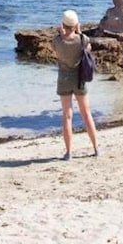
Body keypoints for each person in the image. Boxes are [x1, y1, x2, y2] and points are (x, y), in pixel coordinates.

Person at [50, 9, 100, 160]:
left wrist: (61, 34)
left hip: (64, 79)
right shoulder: (83, 40)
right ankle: (96, 148)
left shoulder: (57, 41)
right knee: (86, 114)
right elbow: (88, 48)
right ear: (76, 24)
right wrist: (79, 32)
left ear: (63, 24)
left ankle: (69, 152)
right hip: (79, 79)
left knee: (67, 116)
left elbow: (55, 49)